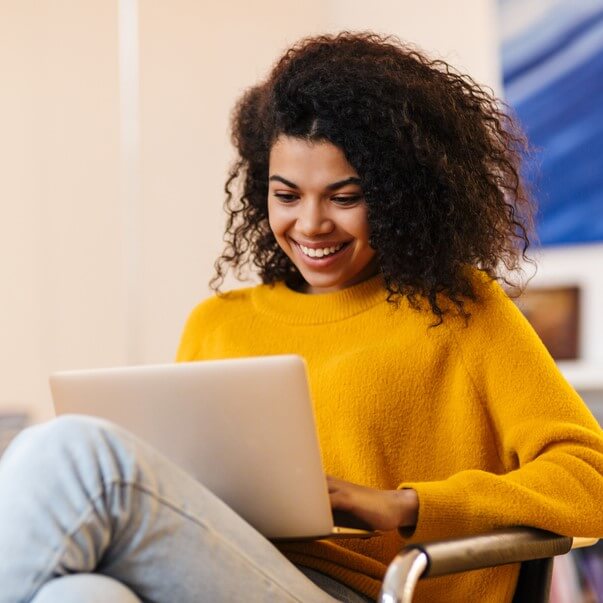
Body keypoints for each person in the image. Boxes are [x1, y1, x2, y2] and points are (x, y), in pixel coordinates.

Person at [1, 32, 602, 603]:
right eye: (286, 195)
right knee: (77, 593)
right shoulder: (217, 322)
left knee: (77, 454)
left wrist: (405, 505)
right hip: (224, 567)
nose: (310, 224)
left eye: (344, 197)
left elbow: (590, 476)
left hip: (362, 588)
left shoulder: (459, 311)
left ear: (399, 195)